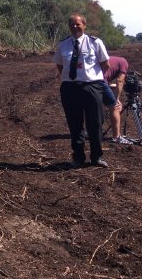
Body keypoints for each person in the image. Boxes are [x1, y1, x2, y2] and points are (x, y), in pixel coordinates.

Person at [54, 13, 110, 168]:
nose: (75, 26)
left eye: (78, 24)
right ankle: (78, 158)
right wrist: (71, 77)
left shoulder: (95, 43)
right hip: (70, 89)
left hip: (91, 87)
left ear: (84, 25)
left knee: (95, 123)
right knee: (75, 124)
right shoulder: (63, 45)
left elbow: (105, 64)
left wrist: (94, 79)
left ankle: (96, 157)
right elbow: (60, 65)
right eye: (72, 24)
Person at [103, 56, 131, 144]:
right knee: (115, 107)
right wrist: (117, 99)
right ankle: (117, 137)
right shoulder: (124, 62)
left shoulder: (112, 60)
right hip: (100, 82)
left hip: (89, 81)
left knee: (91, 106)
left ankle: (91, 131)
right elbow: (120, 80)